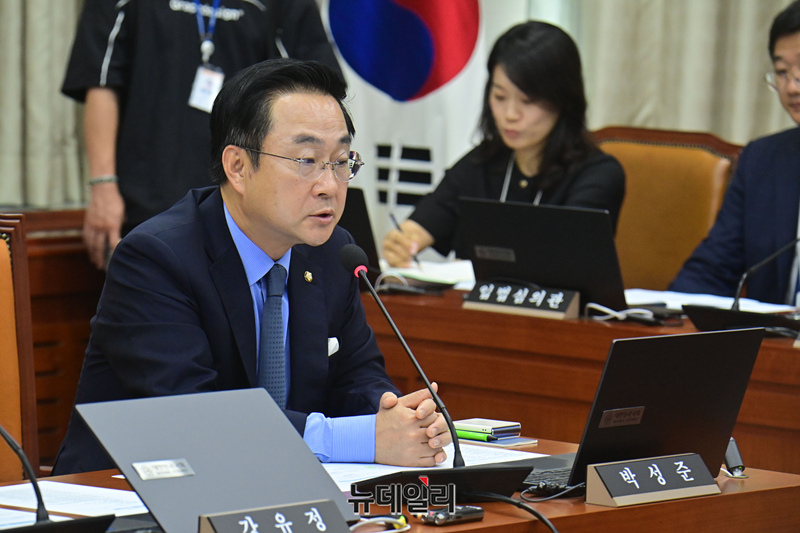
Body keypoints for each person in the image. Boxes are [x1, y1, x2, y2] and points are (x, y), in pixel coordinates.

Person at [52, 59, 452, 475]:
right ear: (238, 167)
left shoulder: (334, 254)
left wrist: (397, 418)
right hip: (128, 491)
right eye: (307, 160)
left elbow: (357, 377)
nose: (330, 186)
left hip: (272, 487)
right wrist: (360, 437)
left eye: (340, 161)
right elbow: (194, 416)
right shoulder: (156, 259)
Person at [63, 0, 344, 269]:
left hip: (248, 214)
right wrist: (103, 184)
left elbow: (319, 90)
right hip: (146, 201)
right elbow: (102, 81)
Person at [382, 21, 625, 266]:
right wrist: (402, 243)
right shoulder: (482, 162)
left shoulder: (597, 175)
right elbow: (422, 224)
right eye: (499, 96)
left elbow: (568, 262)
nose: (510, 114)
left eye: (527, 101)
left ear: (563, 100)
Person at [669, 1, 800, 305]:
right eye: (782, 72)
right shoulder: (763, 160)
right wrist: (666, 313)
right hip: (773, 335)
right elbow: (713, 270)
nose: (792, 87)